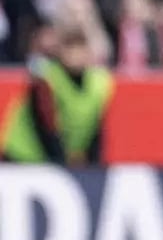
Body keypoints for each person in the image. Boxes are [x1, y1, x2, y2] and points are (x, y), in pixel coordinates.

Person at [1, 26, 113, 164]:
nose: (75, 55)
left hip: (59, 156)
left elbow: (96, 127)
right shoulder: (46, 78)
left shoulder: (100, 81)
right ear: (60, 51)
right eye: (70, 48)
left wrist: (93, 162)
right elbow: (45, 124)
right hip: (23, 154)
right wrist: (61, 161)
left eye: (80, 48)